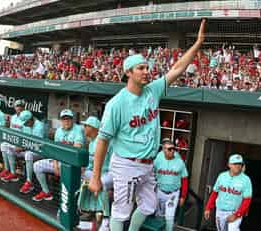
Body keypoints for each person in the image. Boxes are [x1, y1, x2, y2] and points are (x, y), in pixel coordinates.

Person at [88, 19, 206, 231]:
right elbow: (102, 140)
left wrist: (197, 44)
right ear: (128, 72)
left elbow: (178, 68)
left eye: (146, 67)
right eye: (141, 68)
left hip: (147, 164)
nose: (146, 71)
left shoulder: (153, 91)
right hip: (126, 163)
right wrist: (96, 177)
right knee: (121, 211)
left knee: (150, 205)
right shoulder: (117, 104)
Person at [32, 109, 84, 201]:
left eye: (68, 119)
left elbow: (76, 150)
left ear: (72, 120)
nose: (66, 121)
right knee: (37, 166)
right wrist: (55, 165)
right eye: (64, 119)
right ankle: (46, 192)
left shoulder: (78, 129)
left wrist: (61, 161)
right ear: (61, 120)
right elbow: (55, 150)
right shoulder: (59, 131)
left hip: (71, 164)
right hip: (58, 161)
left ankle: (71, 202)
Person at [204, 154, 252, 231]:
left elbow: (247, 200)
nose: (238, 166)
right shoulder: (222, 176)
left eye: (240, 164)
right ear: (229, 164)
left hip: (235, 211)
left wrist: (237, 215)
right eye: (235, 164)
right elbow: (215, 193)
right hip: (220, 211)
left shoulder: (246, 180)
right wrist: (208, 208)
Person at [1, 110, 45, 195]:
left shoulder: (40, 126)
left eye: (26, 123)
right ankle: (13, 173)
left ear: (31, 119)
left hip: (39, 151)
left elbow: (37, 144)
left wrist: (23, 148)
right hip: (26, 148)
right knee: (7, 147)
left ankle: (29, 182)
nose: (25, 125)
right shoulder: (26, 125)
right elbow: (23, 138)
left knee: (28, 155)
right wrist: (18, 146)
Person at [154, 138, 188, 231]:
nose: (172, 151)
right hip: (160, 191)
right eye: (169, 149)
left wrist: (183, 196)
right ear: (164, 150)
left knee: (169, 217)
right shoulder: (158, 159)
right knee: (159, 216)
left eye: (173, 148)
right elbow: (151, 175)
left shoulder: (179, 161)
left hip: (173, 194)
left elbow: (184, 179)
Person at [0, 100, 25, 180]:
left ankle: (13, 173)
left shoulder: (26, 119)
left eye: (21, 106)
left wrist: (21, 145)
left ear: (24, 108)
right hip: (13, 140)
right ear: (15, 107)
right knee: (3, 145)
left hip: (22, 143)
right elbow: (10, 131)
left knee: (9, 148)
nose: (19, 108)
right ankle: (7, 169)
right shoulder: (13, 117)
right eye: (17, 106)